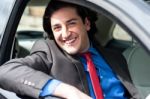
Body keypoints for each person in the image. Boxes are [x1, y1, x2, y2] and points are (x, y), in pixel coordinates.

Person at [0, 0, 140, 99]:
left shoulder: (116, 57)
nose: (65, 34)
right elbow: (5, 71)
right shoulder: (49, 51)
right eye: (57, 28)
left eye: (71, 23)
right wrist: (68, 92)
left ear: (86, 23)